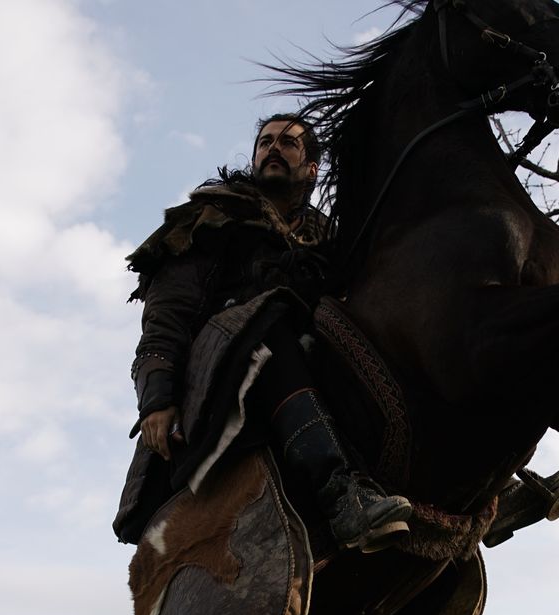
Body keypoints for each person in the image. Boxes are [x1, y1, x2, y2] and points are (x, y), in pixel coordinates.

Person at [114, 115, 412, 553]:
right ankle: (340, 494)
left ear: (311, 167)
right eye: (266, 142)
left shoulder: (333, 243)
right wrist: (156, 398)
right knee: (270, 321)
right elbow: (168, 312)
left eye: (288, 143)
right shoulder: (212, 218)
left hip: (314, 363)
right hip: (221, 381)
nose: (273, 148)